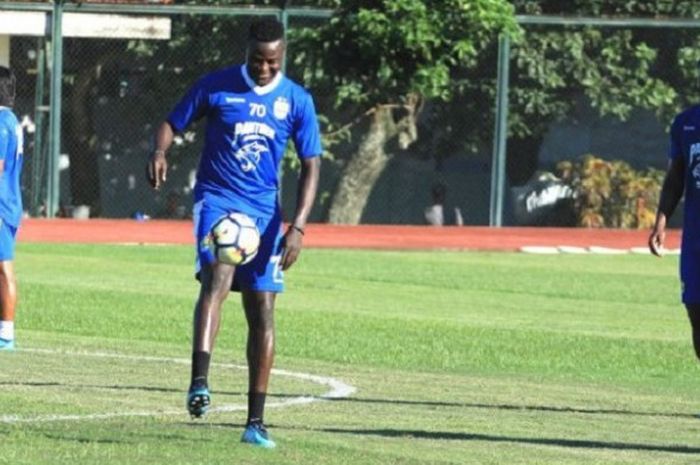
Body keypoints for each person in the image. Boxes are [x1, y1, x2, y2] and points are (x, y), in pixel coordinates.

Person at [147, 18, 321, 448]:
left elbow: (311, 164)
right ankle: (200, 382)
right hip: (218, 201)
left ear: (282, 57)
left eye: (272, 62)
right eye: (257, 60)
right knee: (218, 277)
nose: (264, 69)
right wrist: (159, 150)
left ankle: (255, 422)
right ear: (246, 53)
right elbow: (172, 122)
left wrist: (297, 225)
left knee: (263, 310)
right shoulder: (216, 85)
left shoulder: (296, 100)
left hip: (265, 214)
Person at [649, 104, 700, 361]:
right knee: (695, 308)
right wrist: (661, 220)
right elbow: (676, 177)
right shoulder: (686, 123)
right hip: (695, 239)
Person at [0, 67, 24, 352]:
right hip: (10, 200)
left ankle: (6, 334)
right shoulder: (12, 120)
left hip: (1, 204)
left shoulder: (1, 122)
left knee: (4, 267)